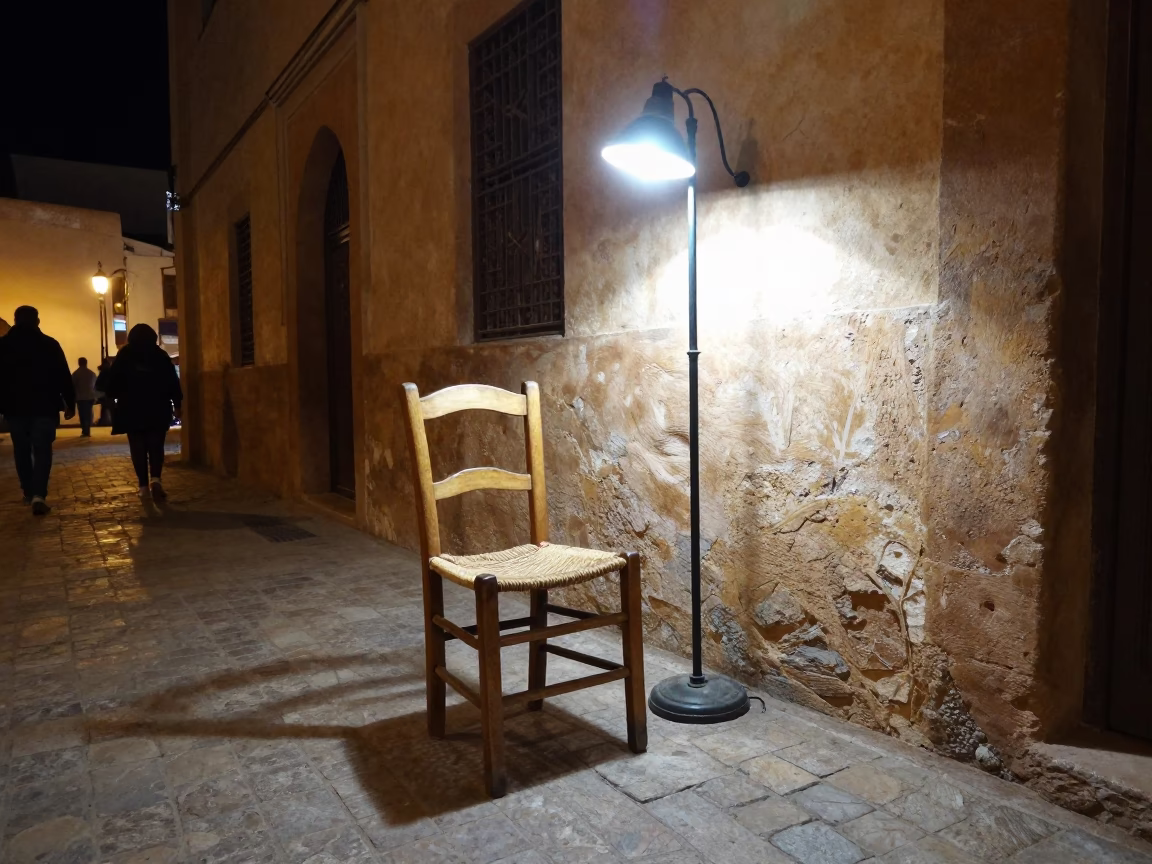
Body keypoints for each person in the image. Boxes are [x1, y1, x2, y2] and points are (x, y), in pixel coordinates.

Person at [0, 306, 75, 514]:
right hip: (44, 406)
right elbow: (63, 375)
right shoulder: (49, 344)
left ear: (15, 321)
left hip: (15, 407)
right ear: (37, 321)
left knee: (21, 449)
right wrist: (70, 402)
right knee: (42, 450)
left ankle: (28, 490)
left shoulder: (3, 346)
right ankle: (39, 494)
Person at [104, 323, 182, 499]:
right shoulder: (160, 355)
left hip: (131, 408)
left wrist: (116, 396)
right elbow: (172, 382)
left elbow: (112, 384)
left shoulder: (125, 355)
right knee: (156, 445)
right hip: (157, 407)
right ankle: (156, 479)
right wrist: (177, 404)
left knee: (137, 447)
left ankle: (143, 487)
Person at [72, 357, 97, 437]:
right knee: (89, 413)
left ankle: (85, 430)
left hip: (81, 397)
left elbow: (73, 386)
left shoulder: (76, 374)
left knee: (83, 414)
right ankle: (88, 429)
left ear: (79, 363)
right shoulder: (92, 373)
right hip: (90, 397)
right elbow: (95, 386)